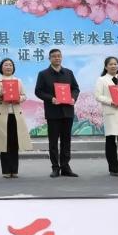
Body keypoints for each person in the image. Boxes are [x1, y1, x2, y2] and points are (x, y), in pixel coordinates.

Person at [34, 49, 80, 178]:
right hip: (53, 112)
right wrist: (51, 99)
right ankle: (55, 167)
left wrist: (73, 98)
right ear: (49, 59)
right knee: (53, 142)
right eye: (54, 56)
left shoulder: (68, 73)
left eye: (59, 56)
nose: (57, 58)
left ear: (62, 57)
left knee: (66, 141)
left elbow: (76, 88)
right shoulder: (43, 74)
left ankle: (65, 167)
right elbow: (38, 91)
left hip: (67, 112)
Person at [0, 58, 33, 178]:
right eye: (6, 65)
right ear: (1, 67)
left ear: (13, 67)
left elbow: (24, 96)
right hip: (2, 116)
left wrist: (19, 99)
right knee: (4, 143)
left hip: (16, 116)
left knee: (14, 143)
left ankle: (14, 170)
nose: (8, 67)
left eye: (10, 65)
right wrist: (0, 95)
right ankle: (6, 171)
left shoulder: (18, 81)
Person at [94, 56, 118, 177]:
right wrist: (111, 102)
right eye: (110, 64)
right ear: (106, 67)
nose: (113, 66)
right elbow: (98, 96)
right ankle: (113, 169)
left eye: (115, 64)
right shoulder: (102, 80)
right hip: (111, 112)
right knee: (111, 141)